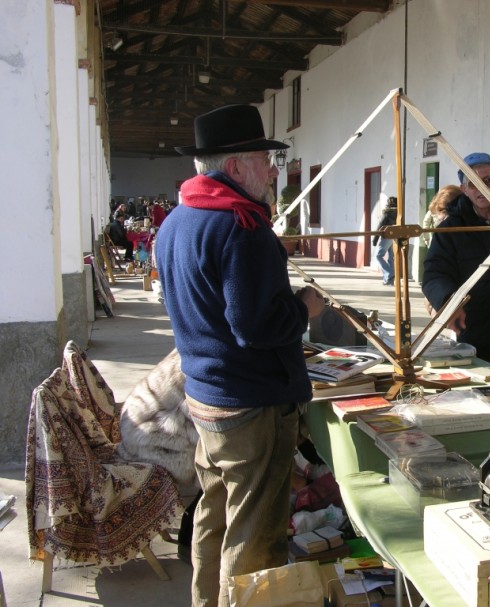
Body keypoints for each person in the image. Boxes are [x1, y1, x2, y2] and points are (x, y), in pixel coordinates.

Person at [157, 104, 325, 606]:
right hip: (249, 404)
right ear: (235, 168)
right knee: (255, 535)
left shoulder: (177, 221)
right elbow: (257, 326)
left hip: (207, 397)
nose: (274, 171)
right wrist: (303, 307)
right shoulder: (240, 227)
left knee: (215, 517)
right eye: (264, 160)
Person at [422, 153, 490, 366]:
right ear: (465, 188)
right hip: (475, 325)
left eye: (487, 181)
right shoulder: (451, 229)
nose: (481, 188)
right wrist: (448, 301)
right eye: (473, 183)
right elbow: (435, 273)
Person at [373, 196, 398, 285]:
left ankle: (389, 274)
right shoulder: (399, 213)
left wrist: (375, 239)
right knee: (390, 258)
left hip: (387, 236)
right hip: (395, 237)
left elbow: (380, 226)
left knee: (378, 256)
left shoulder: (387, 213)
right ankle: (389, 280)